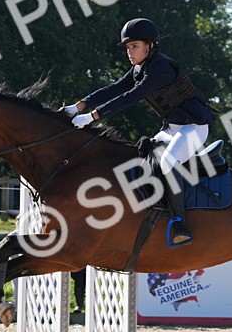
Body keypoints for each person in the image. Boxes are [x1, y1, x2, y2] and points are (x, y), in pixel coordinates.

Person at [62, 18, 213, 247]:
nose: (130, 52)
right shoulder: (139, 69)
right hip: (171, 128)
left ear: (150, 46)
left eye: (134, 46)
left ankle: (180, 223)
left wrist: (93, 116)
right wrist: (78, 106)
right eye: (127, 48)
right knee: (141, 157)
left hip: (194, 127)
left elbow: (132, 96)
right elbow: (114, 89)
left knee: (168, 163)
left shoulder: (162, 68)